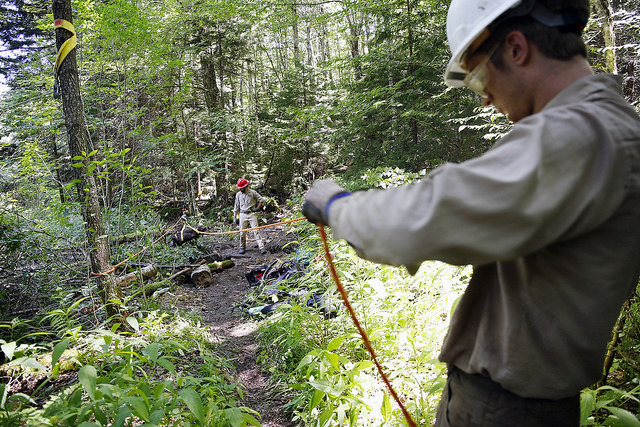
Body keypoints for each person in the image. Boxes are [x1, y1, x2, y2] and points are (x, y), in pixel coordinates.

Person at [303, 0, 640, 425]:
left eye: (479, 75)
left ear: (516, 48)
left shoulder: (581, 133)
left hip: (506, 409)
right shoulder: (607, 127)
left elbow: (424, 216)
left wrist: (336, 206)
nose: (483, 99)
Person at [233, 178, 267, 255]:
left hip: (251, 213)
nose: (240, 189)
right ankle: (242, 247)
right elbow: (236, 206)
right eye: (240, 188)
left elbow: (261, 199)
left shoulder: (252, 192)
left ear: (245, 186)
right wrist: (235, 217)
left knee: (256, 231)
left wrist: (257, 208)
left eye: (241, 187)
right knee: (242, 232)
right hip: (242, 214)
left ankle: (261, 247)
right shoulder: (238, 195)